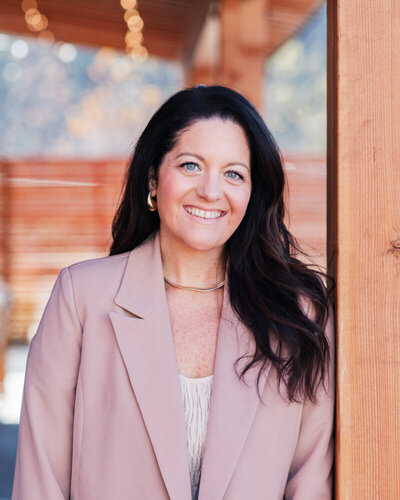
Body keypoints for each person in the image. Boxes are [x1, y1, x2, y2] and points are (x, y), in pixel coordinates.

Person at [12, 85, 335, 500]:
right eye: (191, 166)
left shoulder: (300, 314)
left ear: (252, 193)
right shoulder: (82, 298)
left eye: (234, 173)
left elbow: (309, 483)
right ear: (153, 177)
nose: (211, 191)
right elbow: (41, 480)